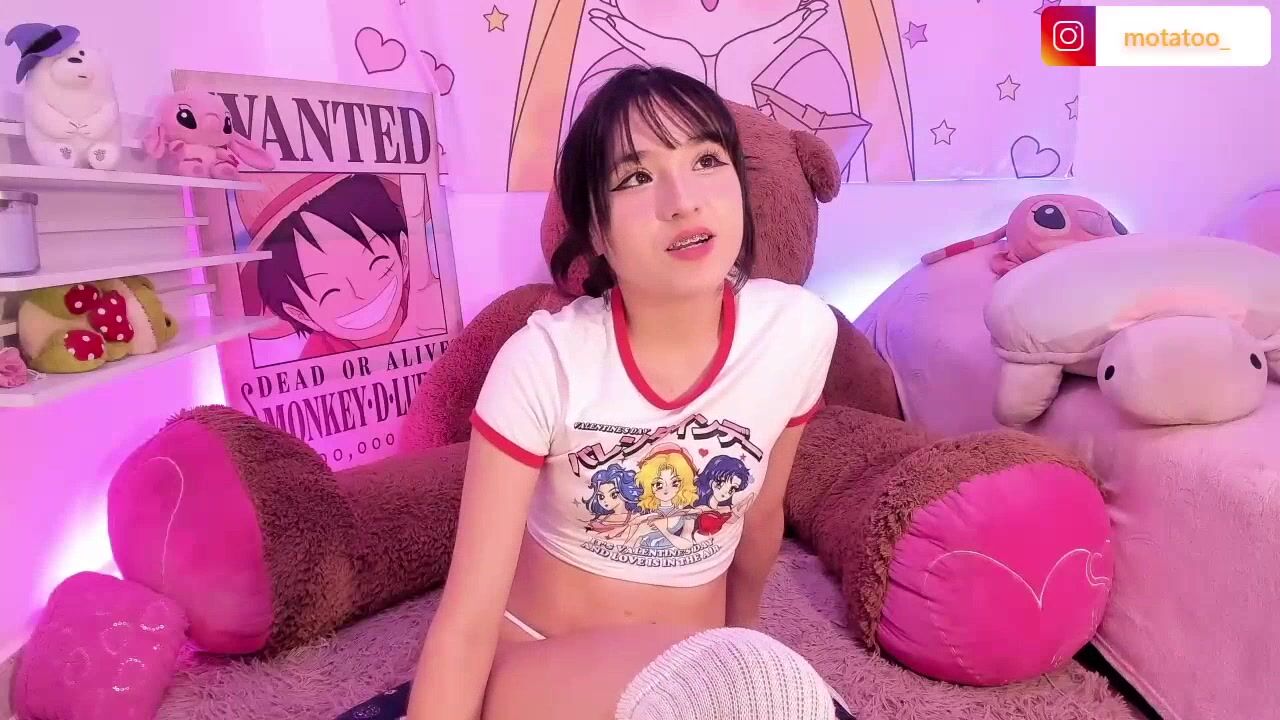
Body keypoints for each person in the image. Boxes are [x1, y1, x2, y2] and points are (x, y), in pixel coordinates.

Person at [408, 66, 840, 720]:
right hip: (542, 659)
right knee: (761, 694)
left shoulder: (797, 330)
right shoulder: (545, 360)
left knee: (774, 694)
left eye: (706, 160)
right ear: (597, 230)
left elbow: (760, 518)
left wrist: (744, 644)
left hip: (691, 663)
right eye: (636, 177)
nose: (682, 200)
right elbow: (465, 620)